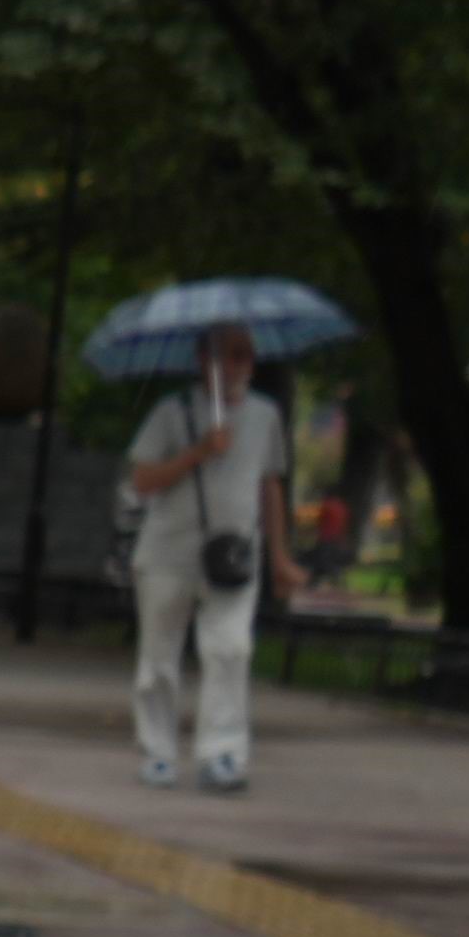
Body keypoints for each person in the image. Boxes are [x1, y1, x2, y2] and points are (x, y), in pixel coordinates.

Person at [125, 320, 283, 790]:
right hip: (168, 552)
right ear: (204, 360)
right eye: (229, 354)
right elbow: (143, 480)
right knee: (159, 657)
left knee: (230, 649)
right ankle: (157, 752)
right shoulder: (172, 411)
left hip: (233, 555)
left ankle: (222, 754)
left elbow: (269, 485)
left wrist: (280, 556)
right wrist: (198, 451)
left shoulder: (264, 414)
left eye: (246, 356)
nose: (238, 366)